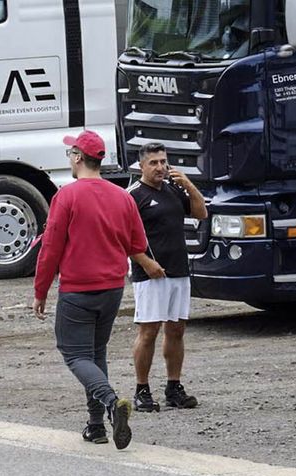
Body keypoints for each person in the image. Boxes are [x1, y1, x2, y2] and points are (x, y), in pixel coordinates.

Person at [32, 130, 158, 450]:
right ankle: (95, 425)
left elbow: (50, 249)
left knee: (74, 354)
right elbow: (138, 244)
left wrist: (41, 291)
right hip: (113, 288)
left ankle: (112, 403)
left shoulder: (68, 196)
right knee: (95, 353)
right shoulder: (123, 197)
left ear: (78, 157)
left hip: (78, 289)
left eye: (69, 155)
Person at [127, 142, 208, 412]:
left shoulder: (174, 189)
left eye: (163, 162)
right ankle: (142, 389)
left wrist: (188, 184)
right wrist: (145, 262)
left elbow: (201, 212)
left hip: (178, 271)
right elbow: (121, 236)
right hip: (150, 275)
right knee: (149, 331)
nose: (160, 167)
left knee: (177, 329)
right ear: (142, 165)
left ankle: (174, 387)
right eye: (154, 163)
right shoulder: (134, 196)